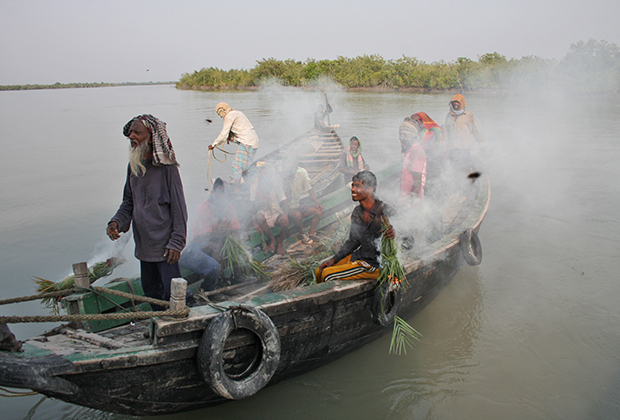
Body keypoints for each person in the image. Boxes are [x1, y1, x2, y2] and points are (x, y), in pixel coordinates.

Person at [107, 114, 188, 310]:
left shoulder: (167, 168)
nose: (131, 136)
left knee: (172, 295)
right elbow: (128, 202)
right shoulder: (133, 167)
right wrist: (116, 222)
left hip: (166, 248)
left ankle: (176, 325)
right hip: (144, 247)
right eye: (130, 132)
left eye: (137, 133)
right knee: (151, 292)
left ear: (151, 138)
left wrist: (177, 242)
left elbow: (179, 207)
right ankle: (160, 325)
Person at [315, 171, 395, 283]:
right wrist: (334, 259)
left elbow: (408, 240)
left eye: (358, 186)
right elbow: (353, 241)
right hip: (360, 257)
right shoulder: (357, 212)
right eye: (353, 185)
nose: (352, 189)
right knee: (320, 271)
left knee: (328, 276)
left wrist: (396, 233)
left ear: (369, 189)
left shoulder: (384, 210)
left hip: (375, 264)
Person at [179, 178, 240, 291]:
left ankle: (232, 278)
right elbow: (204, 237)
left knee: (237, 246)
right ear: (217, 191)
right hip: (199, 244)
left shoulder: (229, 207)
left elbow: (235, 229)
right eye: (222, 194)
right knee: (215, 249)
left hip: (219, 240)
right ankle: (210, 288)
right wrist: (219, 235)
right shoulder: (203, 209)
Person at [209, 102, 260, 191]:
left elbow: (224, 133)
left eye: (219, 113)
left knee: (236, 166)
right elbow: (241, 131)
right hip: (253, 142)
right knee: (244, 168)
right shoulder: (237, 113)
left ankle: (237, 190)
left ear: (223, 110)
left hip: (247, 142)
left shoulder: (230, 115)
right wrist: (232, 139)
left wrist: (214, 144)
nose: (220, 116)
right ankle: (249, 188)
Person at [280, 157, 324, 245]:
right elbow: (282, 200)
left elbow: (310, 190)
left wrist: (316, 203)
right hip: (283, 210)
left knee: (318, 211)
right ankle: (302, 235)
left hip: (296, 205)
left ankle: (311, 234)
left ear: (296, 168)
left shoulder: (300, 175)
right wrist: (286, 212)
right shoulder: (280, 179)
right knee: (297, 215)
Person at [250, 162, 289, 255]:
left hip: (275, 213)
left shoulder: (276, 185)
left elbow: (285, 204)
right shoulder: (254, 187)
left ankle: (280, 242)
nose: (262, 176)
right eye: (261, 173)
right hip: (263, 213)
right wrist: (255, 223)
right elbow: (252, 208)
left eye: (265, 174)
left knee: (285, 222)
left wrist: (285, 214)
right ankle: (272, 239)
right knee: (259, 217)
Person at [444, 94, 483, 172]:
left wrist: (481, 144)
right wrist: (445, 148)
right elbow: (446, 133)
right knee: (455, 169)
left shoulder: (467, 115)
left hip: (464, 148)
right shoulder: (449, 116)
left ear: (462, 104)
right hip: (453, 148)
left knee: (466, 169)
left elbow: (475, 130)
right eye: (454, 102)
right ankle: (458, 183)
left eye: (458, 102)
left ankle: (471, 182)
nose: (456, 104)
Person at [400, 134, 427, 204]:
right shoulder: (410, 150)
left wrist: (411, 204)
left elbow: (417, 182)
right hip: (406, 197)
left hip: (412, 202)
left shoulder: (417, 151)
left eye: (405, 135)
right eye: (400, 135)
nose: (401, 138)